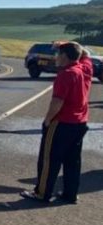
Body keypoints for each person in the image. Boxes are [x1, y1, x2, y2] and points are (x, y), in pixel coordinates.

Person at [21, 42, 91, 203]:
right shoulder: (85, 69)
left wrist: (47, 120)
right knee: (72, 161)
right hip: (80, 123)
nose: (55, 57)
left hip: (62, 123)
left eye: (58, 54)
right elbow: (84, 54)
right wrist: (73, 45)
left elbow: (57, 102)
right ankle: (70, 194)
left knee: (49, 160)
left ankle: (42, 193)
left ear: (65, 56)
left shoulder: (66, 74)